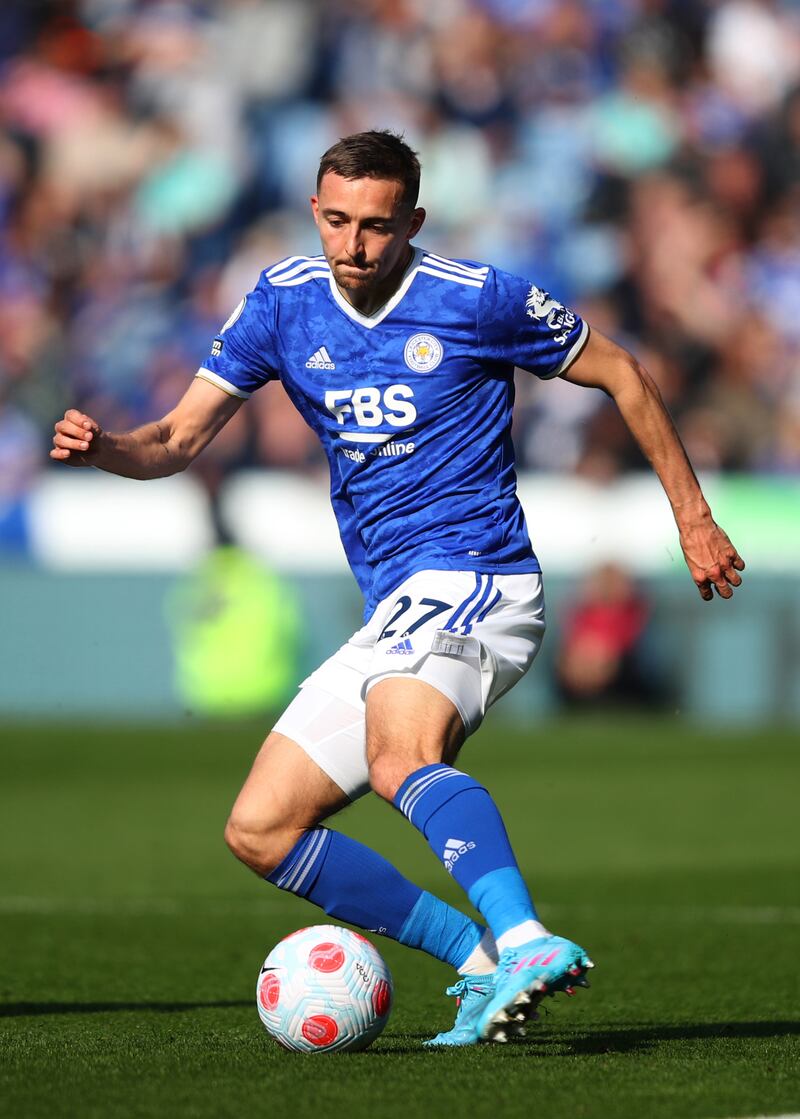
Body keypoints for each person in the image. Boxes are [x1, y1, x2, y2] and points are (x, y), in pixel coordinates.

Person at [51, 130, 745, 1047]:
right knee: (261, 828)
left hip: (478, 577)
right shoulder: (281, 304)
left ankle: (528, 936)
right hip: (398, 606)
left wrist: (691, 517)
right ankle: (477, 957)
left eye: (376, 227)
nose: (354, 245)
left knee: (397, 758)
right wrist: (108, 450)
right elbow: (177, 441)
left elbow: (621, 370)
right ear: (314, 211)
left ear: (413, 220)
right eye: (337, 221)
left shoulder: (477, 297)